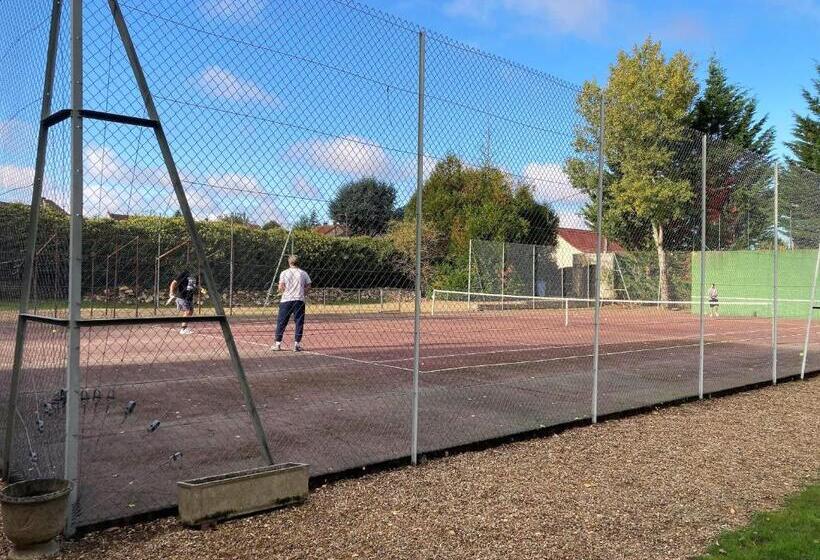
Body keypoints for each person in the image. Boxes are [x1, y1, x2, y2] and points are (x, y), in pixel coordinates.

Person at [273, 255, 311, 352]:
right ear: (298, 262)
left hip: (286, 300)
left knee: (281, 322)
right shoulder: (303, 273)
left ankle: (277, 344)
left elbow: (281, 287)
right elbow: (308, 286)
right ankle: (296, 344)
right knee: (299, 322)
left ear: (289, 263)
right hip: (299, 300)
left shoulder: (284, 273)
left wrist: (281, 290)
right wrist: (303, 292)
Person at [168, 270, 197, 334]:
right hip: (182, 297)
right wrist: (171, 293)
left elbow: (193, 286)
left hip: (190, 298)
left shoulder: (195, 275)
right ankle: (183, 329)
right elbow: (173, 283)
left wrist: (200, 289)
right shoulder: (184, 273)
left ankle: (185, 326)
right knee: (187, 311)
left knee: (191, 312)